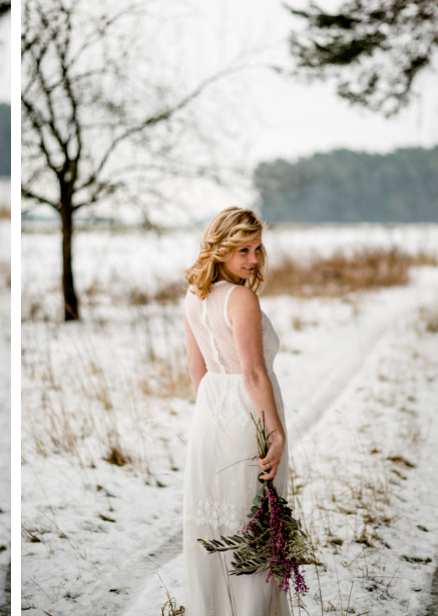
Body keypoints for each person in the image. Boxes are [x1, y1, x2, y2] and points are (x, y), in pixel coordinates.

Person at [181, 207, 288, 615]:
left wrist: (213, 414)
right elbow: (255, 373)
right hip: (248, 414)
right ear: (221, 247)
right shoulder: (241, 297)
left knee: (220, 523)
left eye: (258, 248)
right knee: (253, 522)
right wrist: (275, 433)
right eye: (243, 249)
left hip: (210, 415)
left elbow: (199, 370)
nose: (253, 259)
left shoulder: (195, 294)